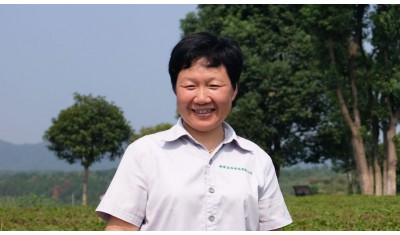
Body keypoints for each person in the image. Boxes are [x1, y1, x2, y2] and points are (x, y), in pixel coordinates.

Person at [96, 32, 293, 231]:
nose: (201, 98)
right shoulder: (144, 153)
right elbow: (121, 227)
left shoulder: (257, 159)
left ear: (234, 90)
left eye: (214, 85)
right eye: (190, 86)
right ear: (175, 89)